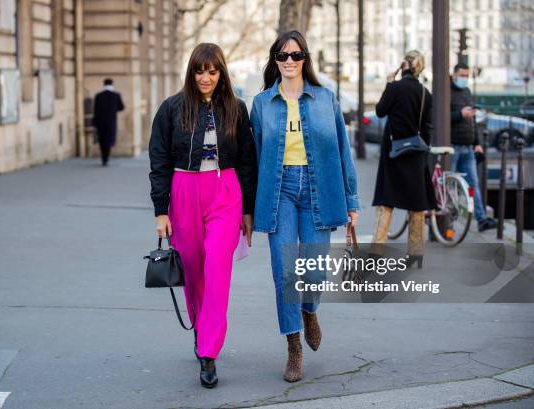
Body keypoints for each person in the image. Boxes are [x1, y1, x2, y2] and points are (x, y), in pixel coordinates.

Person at [250, 31, 360, 383]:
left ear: (305, 60)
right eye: (282, 56)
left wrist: (352, 200)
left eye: (296, 56)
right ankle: (294, 346)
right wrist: (246, 208)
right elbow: (251, 159)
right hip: (278, 189)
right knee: (285, 269)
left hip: (319, 190)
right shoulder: (262, 103)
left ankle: (310, 309)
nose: (289, 62)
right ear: (275, 60)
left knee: (314, 270)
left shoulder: (326, 99)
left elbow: (343, 151)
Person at [148, 43, 257, 388]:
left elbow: (248, 161)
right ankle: (201, 334)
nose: (206, 77)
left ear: (221, 72)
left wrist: (249, 209)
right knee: (193, 270)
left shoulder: (236, 109)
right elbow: (159, 161)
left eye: (212, 71)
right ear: (191, 72)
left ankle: (209, 352)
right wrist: (160, 211)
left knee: (216, 268)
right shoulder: (171, 109)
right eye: (200, 70)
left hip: (225, 193)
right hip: (184, 192)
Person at [371, 50, 436, 267]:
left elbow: (380, 111)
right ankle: (416, 254)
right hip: (416, 154)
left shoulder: (396, 88)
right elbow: (428, 128)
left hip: (393, 153)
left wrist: (389, 83)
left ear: (404, 65)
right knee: (416, 205)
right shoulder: (426, 93)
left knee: (386, 201)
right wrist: (423, 152)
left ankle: (377, 252)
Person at [450, 62, 497, 232]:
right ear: (454, 74)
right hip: (452, 145)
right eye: (462, 75)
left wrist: (477, 143)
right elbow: (440, 117)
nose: (465, 78)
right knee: (450, 186)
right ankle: (448, 221)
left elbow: (472, 121)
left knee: (473, 183)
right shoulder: (445, 91)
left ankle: (482, 219)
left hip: (468, 146)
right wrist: (459, 114)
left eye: (467, 76)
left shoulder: (467, 91)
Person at [92, 78, 125, 166]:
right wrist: (113, 108)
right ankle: (106, 157)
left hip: (100, 121)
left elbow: (95, 110)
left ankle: (103, 158)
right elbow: (121, 107)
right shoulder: (116, 95)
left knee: (102, 140)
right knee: (109, 140)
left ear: (104, 84)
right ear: (112, 84)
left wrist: (94, 122)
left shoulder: (98, 96)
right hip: (111, 121)